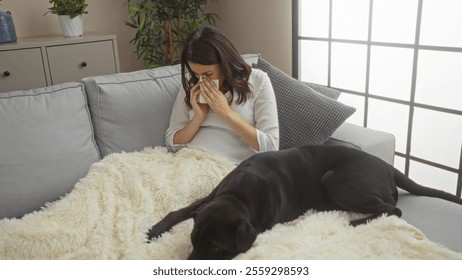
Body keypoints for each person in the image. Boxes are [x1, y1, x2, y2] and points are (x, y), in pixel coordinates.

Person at [165, 26, 279, 164]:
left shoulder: (258, 80)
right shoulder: (192, 85)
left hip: (230, 166)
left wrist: (226, 112)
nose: (202, 80)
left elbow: (270, 147)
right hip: (189, 160)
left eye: (208, 74)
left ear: (225, 63)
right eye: (196, 73)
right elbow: (172, 143)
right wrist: (198, 117)